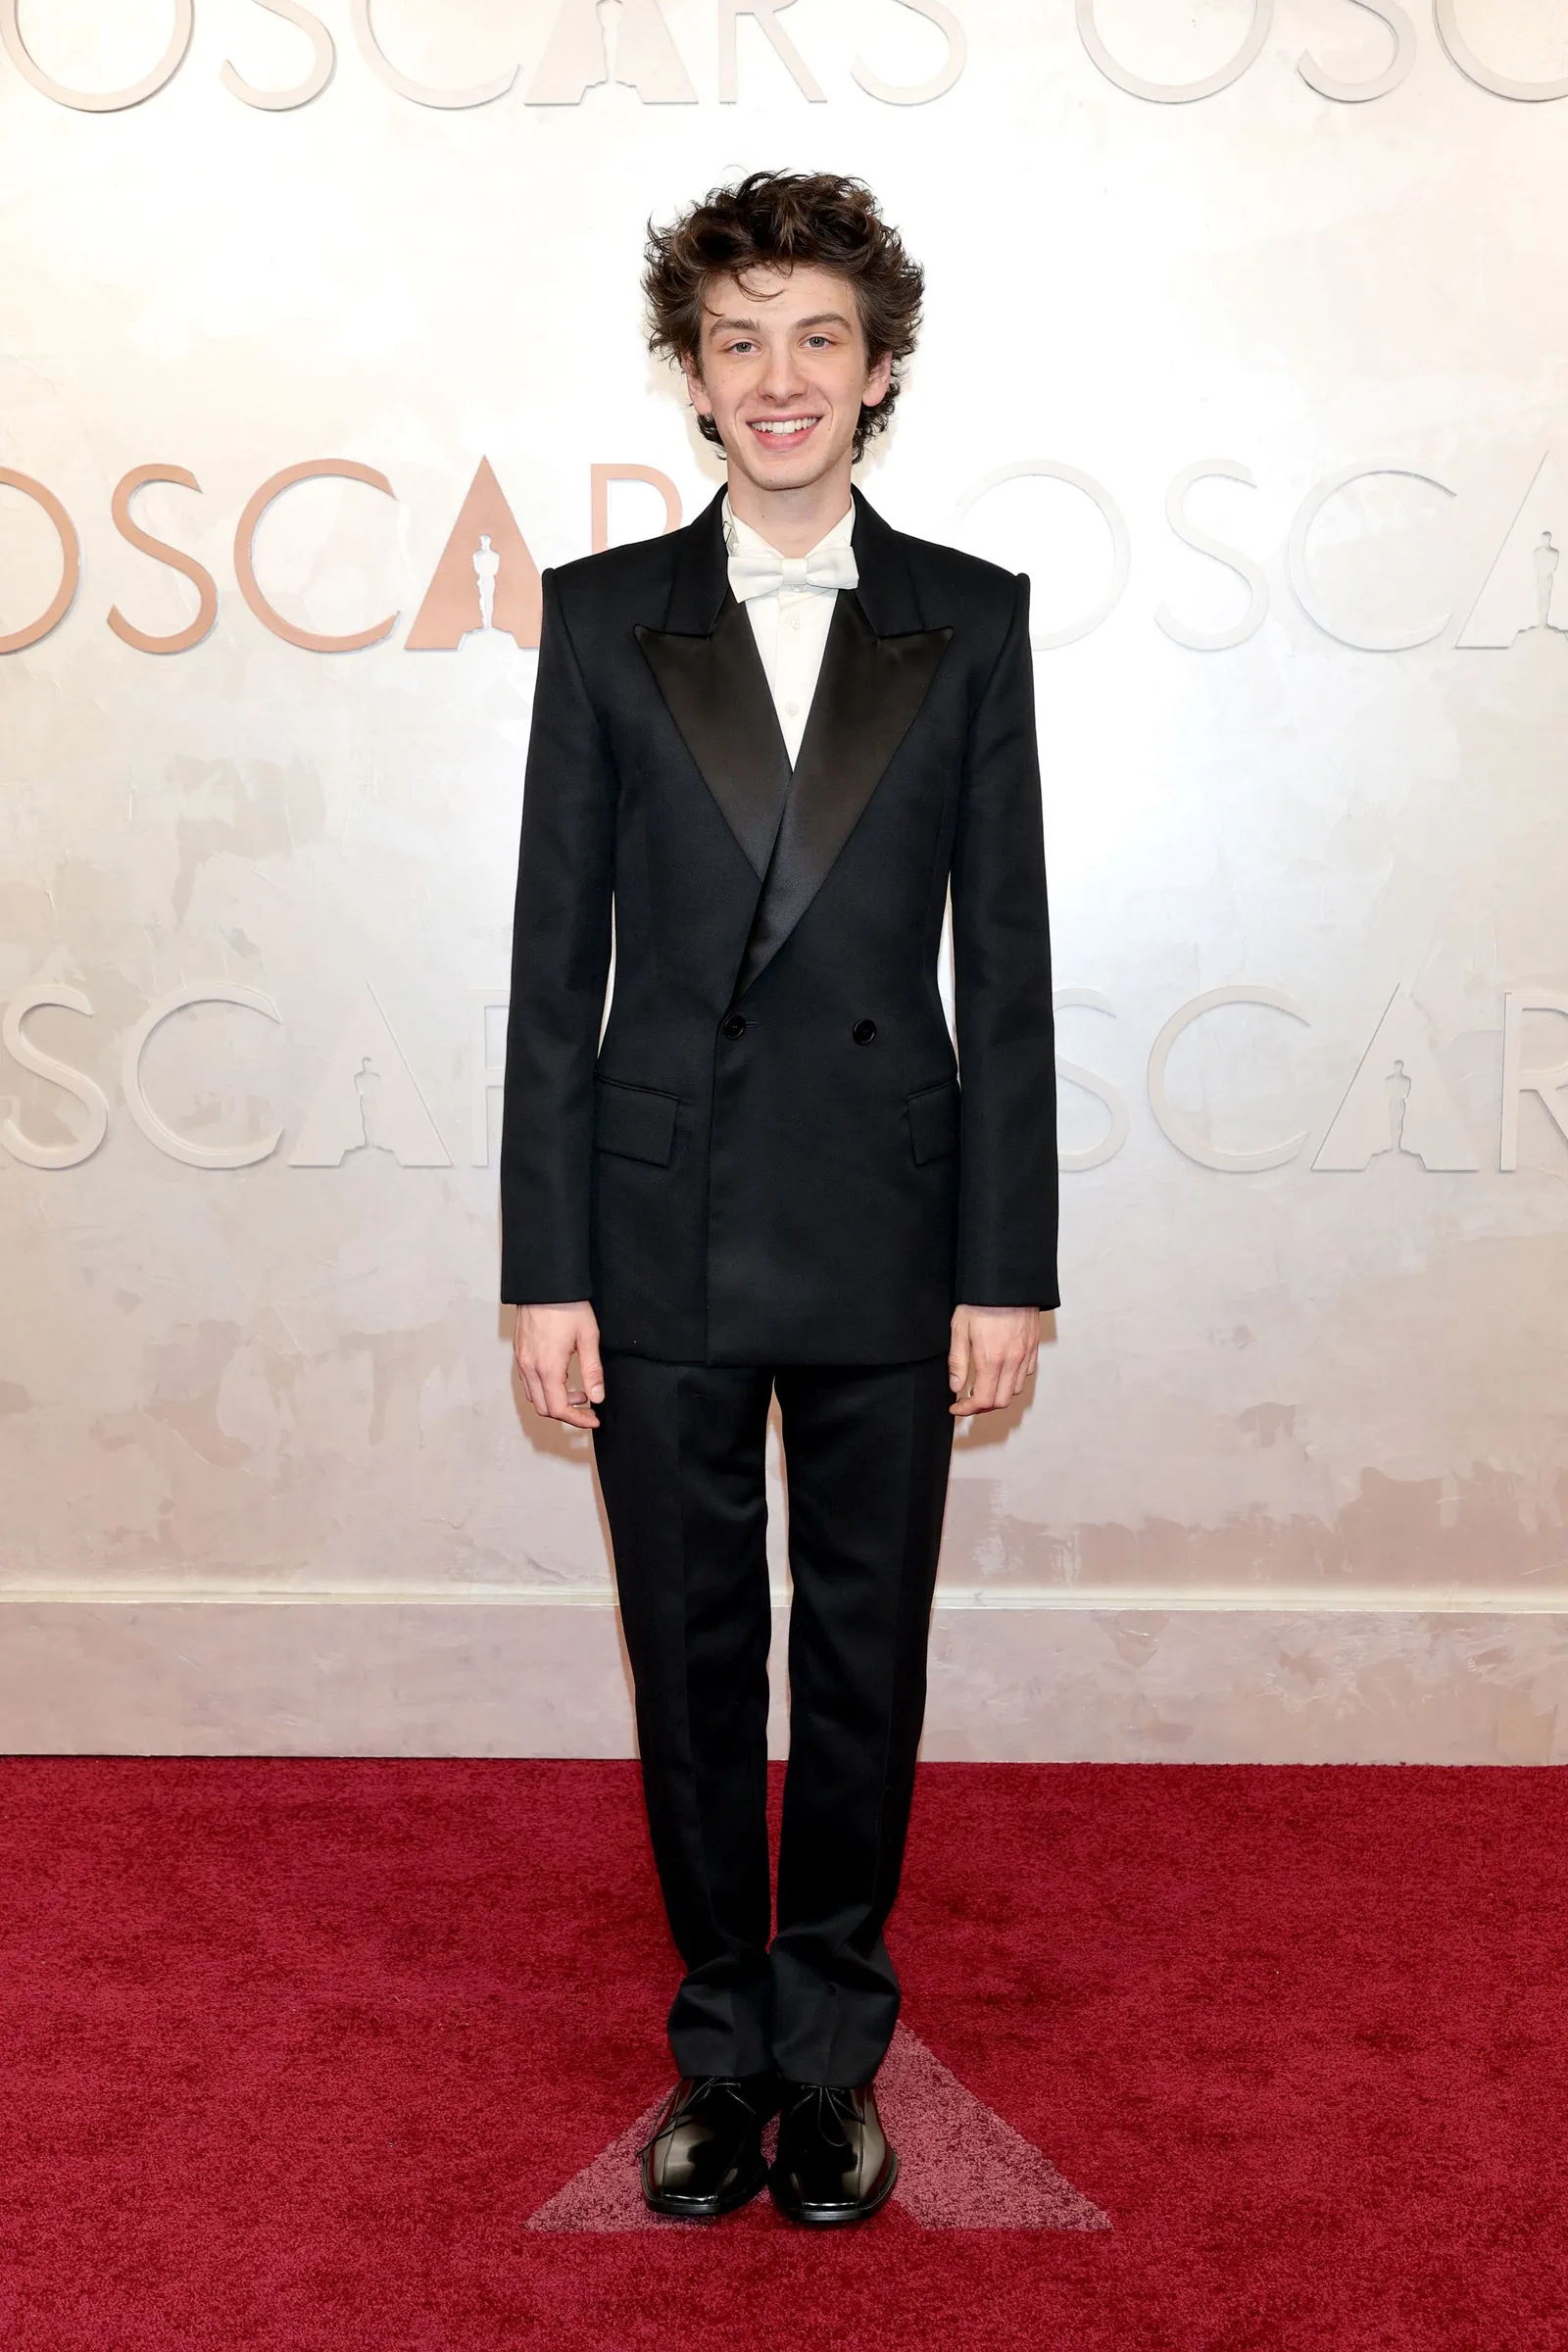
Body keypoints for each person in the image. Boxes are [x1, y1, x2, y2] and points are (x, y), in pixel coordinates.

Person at [501, 171, 1057, 2226]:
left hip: (889, 1219)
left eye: (814, 335)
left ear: (877, 365)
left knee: (857, 1656)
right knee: (687, 1640)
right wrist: (537, 1268)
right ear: (691, 377)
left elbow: (1000, 967)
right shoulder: (598, 617)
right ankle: (714, 2040)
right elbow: (552, 968)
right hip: (651, 1230)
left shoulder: (969, 617)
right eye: (737, 340)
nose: (777, 375)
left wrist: (1005, 1265)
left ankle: (827, 2051)